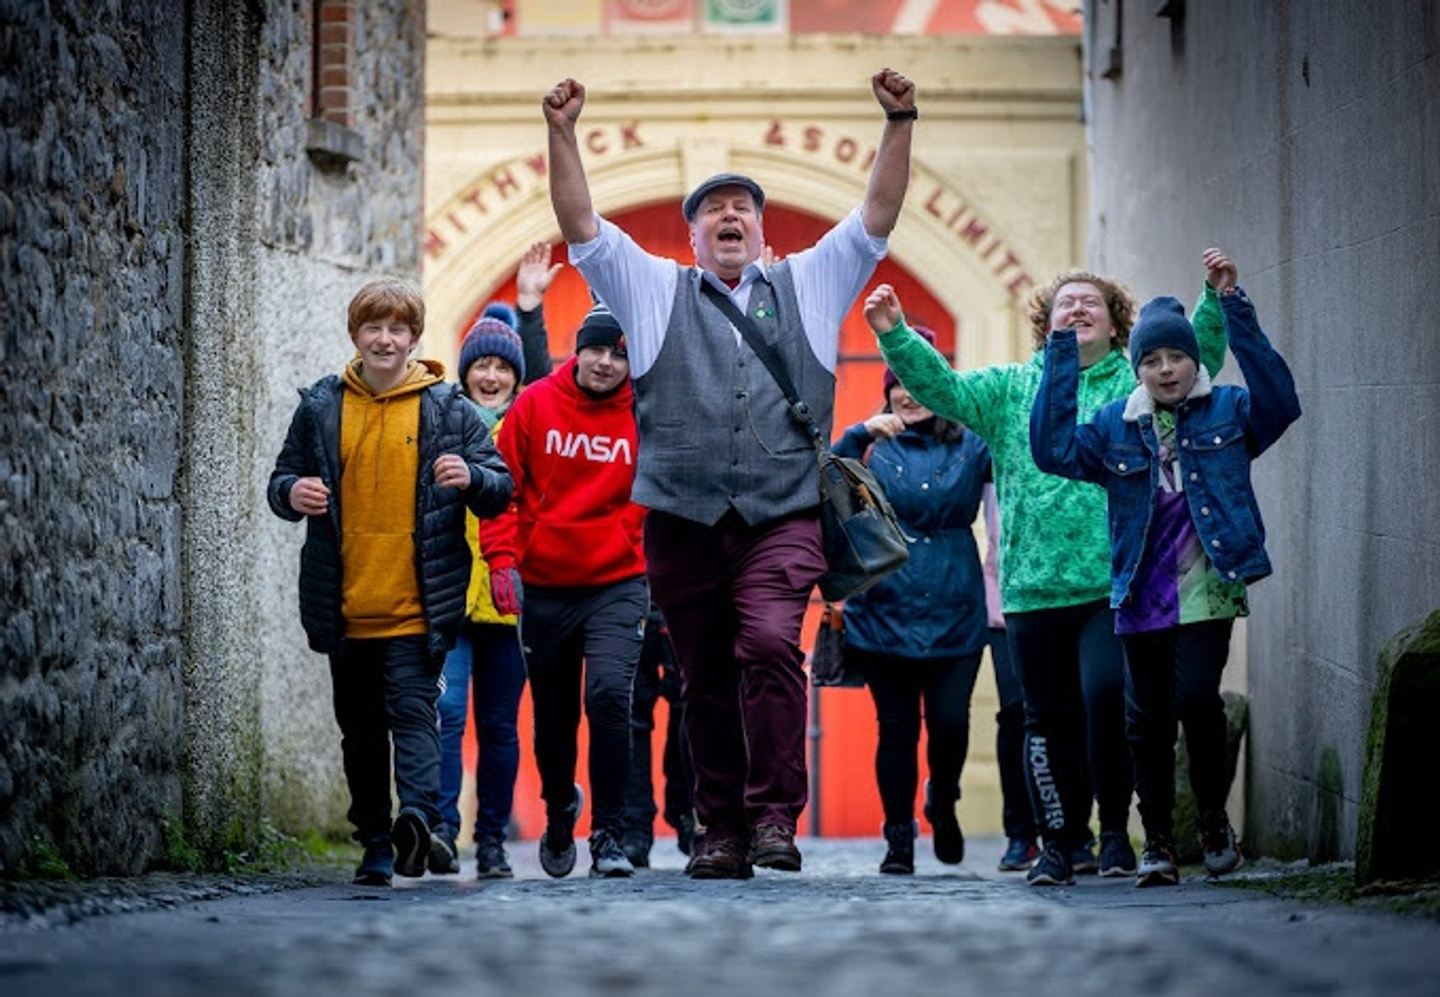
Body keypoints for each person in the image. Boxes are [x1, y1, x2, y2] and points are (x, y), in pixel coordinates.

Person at [543, 68, 916, 878]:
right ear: (694, 237)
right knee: (704, 675)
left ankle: (774, 816)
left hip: (784, 512)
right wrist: (563, 133)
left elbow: (876, 219)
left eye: (742, 206)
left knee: (772, 643)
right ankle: (721, 830)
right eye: (714, 208)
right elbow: (582, 229)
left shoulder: (808, 281)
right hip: (681, 519)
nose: (730, 215)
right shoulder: (654, 289)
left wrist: (900, 121)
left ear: (759, 227)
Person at [867, 248, 1232, 886]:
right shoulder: (1011, 387)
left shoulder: (1135, 386)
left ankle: (1115, 833)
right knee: (1045, 718)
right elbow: (942, 390)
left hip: (1112, 583)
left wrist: (1215, 301)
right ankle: (1059, 843)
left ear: (1116, 324)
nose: (1078, 309)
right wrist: (896, 335)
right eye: (1066, 302)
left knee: (1108, 700)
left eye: (1092, 302)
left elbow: (1192, 362)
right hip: (1031, 587)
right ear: (1046, 323)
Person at [1031, 285, 1300, 885]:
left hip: (1209, 581)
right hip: (1141, 588)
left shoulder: (1228, 408)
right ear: (1139, 370)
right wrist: (1061, 352)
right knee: (1146, 717)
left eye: (1176, 357)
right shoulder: (1116, 424)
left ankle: (1211, 820)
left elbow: (1281, 404)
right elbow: (1051, 450)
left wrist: (1235, 310)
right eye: (1151, 360)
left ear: (1194, 361)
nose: (1165, 369)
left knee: (1198, 698)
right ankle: (1155, 839)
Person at [266, 278, 513, 887]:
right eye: (373, 328)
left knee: (414, 714)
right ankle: (376, 844)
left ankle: (419, 821)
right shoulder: (321, 407)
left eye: (397, 329)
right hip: (345, 604)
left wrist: (471, 477)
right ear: (355, 336)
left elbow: (500, 487)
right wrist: (292, 493)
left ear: (413, 339)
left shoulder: (446, 409)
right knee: (360, 732)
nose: (384, 339)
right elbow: (281, 480)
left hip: (418, 604)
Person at [480, 303, 649, 879]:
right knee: (554, 717)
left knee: (609, 697)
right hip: (546, 584)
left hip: (617, 581)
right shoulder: (534, 404)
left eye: (619, 355)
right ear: (577, 352)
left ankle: (609, 834)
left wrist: (635, 538)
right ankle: (559, 808)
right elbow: (501, 490)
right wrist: (502, 561)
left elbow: (661, 488)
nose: (605, 363)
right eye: (596, 349)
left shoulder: (645, 413)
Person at [831, 326, 991, 875]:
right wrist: (856, 434)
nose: (909, 393)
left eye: (920, 379)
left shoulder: (973, 442)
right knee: (896, 730)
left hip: (955, 603)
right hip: (884, 606)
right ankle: (898, 835)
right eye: (899, 383)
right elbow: (826, 483)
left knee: (949, 723)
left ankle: (943, 799)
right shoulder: (871, 445)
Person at [429, 244, 562, 878]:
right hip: (452, 595)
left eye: (501, 366)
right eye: (480, 364)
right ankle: (441, 829)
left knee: (500, 725)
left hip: (511, 602)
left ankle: (490, 842)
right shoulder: (444, 423)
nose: (490, 375)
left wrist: (530, 307)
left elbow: (545, 383)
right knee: (447, 712)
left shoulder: (530, 425)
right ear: (466, 371)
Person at [981, 478, 1040, 872]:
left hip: (1073, 590)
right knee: (1016, 713)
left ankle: (1075, 833)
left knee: (1073, 711)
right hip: (1005, 600)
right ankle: (1021, 833)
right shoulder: (986, 452)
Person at [621, 603, 696, 867]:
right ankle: (635, 826)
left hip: (682, 598)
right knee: (632, 712)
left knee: (690, 707)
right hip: (631, 599)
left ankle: (687, 813)